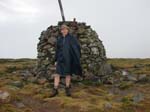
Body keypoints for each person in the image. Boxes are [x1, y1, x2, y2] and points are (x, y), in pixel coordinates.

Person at [50, 24, 82, 97]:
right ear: (61, 31)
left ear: (67, 30)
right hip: (60, 59)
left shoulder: (72, 38)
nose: (64, 31)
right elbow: (57, 50)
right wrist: (55, 60)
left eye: (65, 29)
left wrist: (75, 57)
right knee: (57, 74)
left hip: (69, 59)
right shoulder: (59, 39)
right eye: (62, 29)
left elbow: (77, 47)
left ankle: (67, 88)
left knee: (68, 74)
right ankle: (55, 89)